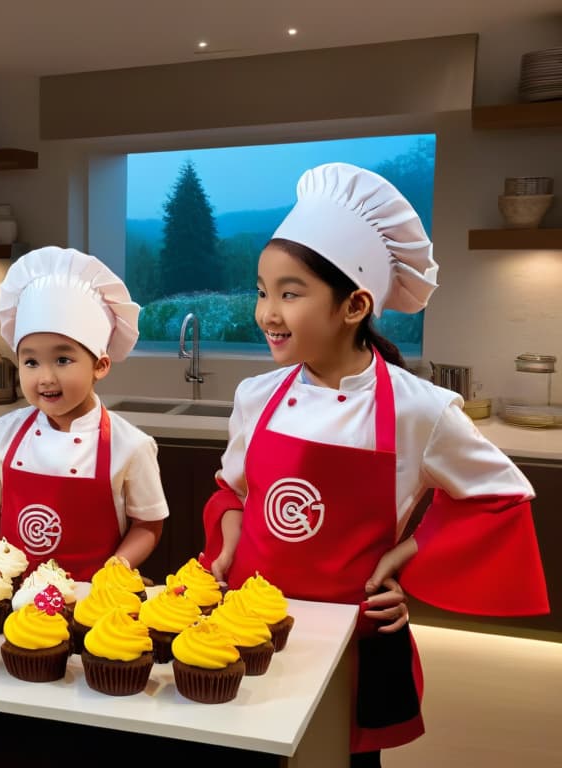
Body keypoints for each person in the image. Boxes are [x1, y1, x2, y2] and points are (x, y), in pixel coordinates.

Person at [197, 163, 548, 765]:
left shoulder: (421, 410)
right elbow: (233, 492)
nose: (266, 313)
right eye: (262, 290)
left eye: (290, 292)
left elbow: (502, 495)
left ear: (355, 304)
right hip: (246, 625)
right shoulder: (257, 397)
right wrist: (227, 546)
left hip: (349, 639)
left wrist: (404, 558)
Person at [0, 246, 169, 582]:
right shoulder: (3, 432)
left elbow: (148, 524)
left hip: (90, 601)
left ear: (101, 365)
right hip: (12, 596)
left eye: (62, 360)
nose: (45, 377)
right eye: (30, 361)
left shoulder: (131, 445)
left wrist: (118, 568)